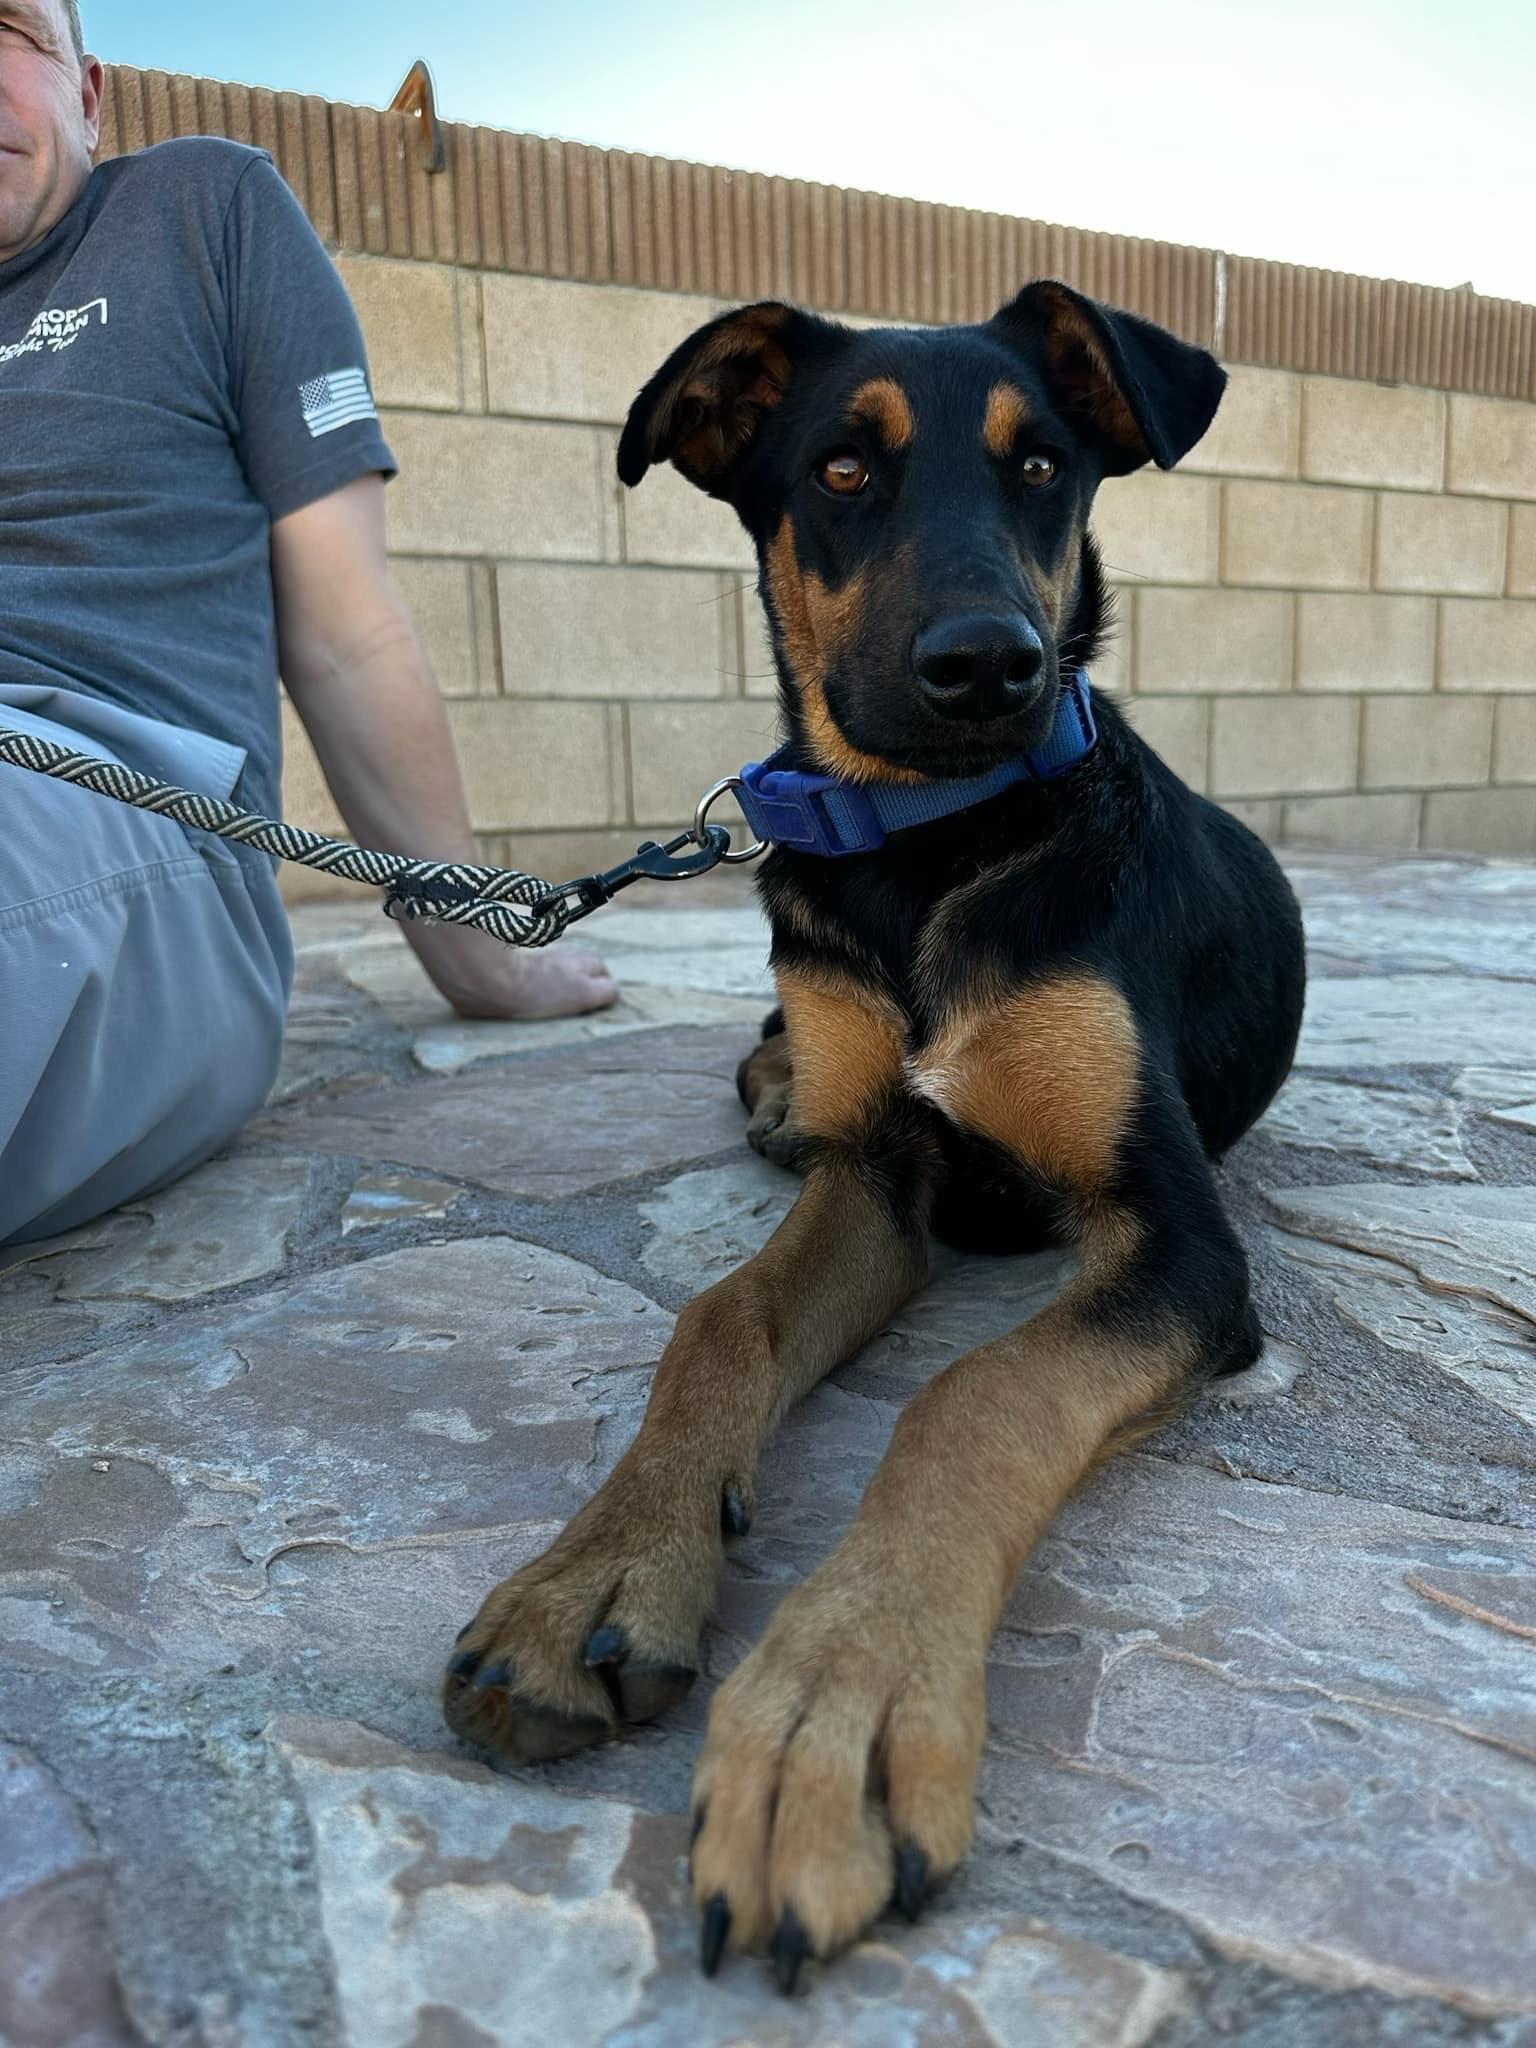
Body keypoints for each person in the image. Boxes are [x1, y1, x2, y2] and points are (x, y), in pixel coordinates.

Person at [0, 0, 617, 1246]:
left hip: (119, 806)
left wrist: (472, 937)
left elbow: (347, 627)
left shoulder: (202, 213)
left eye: (8, 28)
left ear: (90, 91)